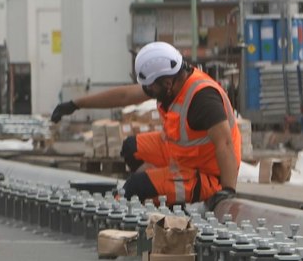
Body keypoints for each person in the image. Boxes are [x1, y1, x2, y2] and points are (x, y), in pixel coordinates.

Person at [50, 41, 240, 208]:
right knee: (130, 147)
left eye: (150, 86)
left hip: (207, 174)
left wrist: (227, 190)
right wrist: (76, 104)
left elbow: (225, 143)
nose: (147, 91)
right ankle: (162, 198)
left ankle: (157, 203)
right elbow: (124, 96)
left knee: (136, 187)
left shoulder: (202, 98)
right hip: (181, 154)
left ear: (167, 83)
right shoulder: (171, 84)